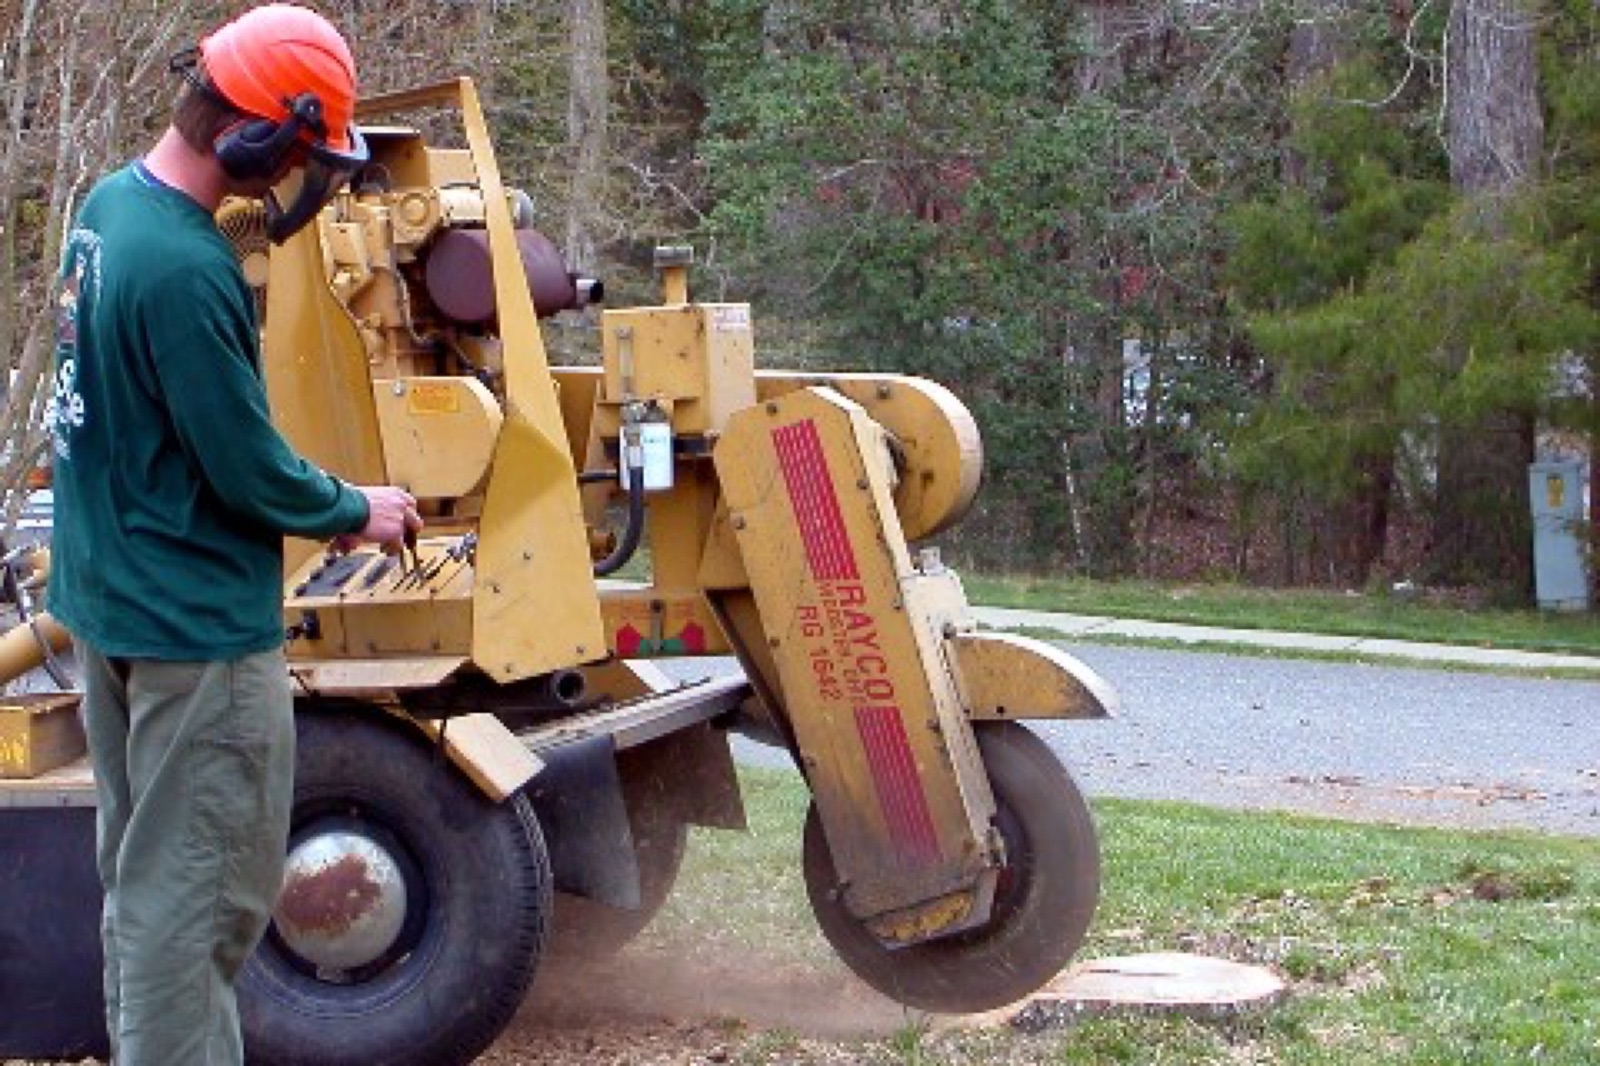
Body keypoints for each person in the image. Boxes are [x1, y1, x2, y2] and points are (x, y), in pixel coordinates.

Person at [44, 5, 419, 1063]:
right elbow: (245, 466)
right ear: (252, 136)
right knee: (198, 905)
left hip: (113, 609)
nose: (293, 175)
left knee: (146, 889)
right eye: (296, 151)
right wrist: (357, 506)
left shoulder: (109, 212)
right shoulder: (184, 267)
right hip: (196, 636)